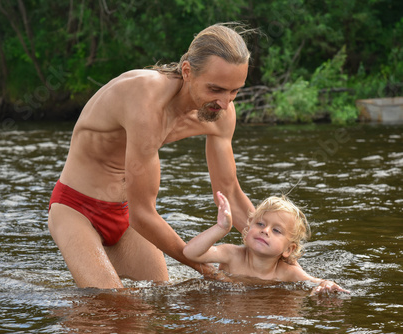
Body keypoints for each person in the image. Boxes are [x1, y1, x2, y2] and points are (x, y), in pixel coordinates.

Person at [48, 23, 255, 289]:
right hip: (76, 209)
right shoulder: (145, 99)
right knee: (109, 303)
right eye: (215, 90)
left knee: (158, 297)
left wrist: (282, 256)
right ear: (188, 72)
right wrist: (208, 270)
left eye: (234, 91)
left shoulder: (221, 113)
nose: (225, 103)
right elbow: (143, 214)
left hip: (123, 213)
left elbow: (230, 194)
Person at [183, 192, 350, 294]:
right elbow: (190, 253)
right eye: (260, 224)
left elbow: (316, 281)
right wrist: (221, 228)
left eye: (276, 230)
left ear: (288, 250)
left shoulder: (286, 272)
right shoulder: (232, 254)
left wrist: (326, 284)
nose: (265, 230)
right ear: (247, 230)